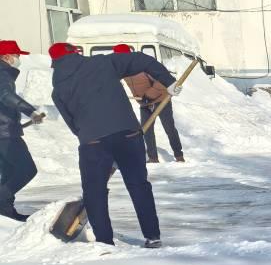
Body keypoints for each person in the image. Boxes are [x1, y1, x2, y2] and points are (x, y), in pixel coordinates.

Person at [49, 42, 176, 247]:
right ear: (75, 53)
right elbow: (140, 59)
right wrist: (168, 81)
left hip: (93, 142)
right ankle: (153, 236)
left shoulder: (58, 90)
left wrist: (92, 137)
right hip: (128, 135)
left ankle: (104, 242)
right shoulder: (103, 63)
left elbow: (72, 124)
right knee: (138, 185)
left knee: (94, 191)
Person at [113, 44, 184, 164]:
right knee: (147, 130)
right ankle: (153, 158)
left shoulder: (142, 65)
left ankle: (179, 155)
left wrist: (149, 95)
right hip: (144, 102)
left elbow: (161, 82)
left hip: (161, 100)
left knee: (169, 128)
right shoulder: (123, 69)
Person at [0, 40, 46, 222]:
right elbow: (5, 96)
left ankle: (5, 211)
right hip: (5, 133)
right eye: (16, 55)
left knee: (9, 172)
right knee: (26, 170)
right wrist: (30, 111)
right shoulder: (3, 73)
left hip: (4, 131)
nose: (19, 58)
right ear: (6, 57)